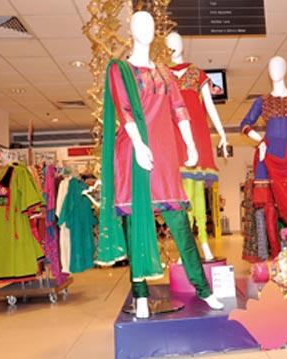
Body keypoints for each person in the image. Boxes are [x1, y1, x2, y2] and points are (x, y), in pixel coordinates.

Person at [98, 11, 223, 318]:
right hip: (134, 152)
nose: (148, 29)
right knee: (136, 224)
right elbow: (124, 109)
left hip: (165, 156)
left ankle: (203, 289)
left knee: (181, 225)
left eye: (152, 24)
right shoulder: (120, 69)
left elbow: (179, 109)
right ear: (130, 29)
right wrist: (139, 145)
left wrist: (192, 145)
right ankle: (140, 294)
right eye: (140, 24)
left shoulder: (166, 73)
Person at [239, 56, 287, 258]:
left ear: (286, 68)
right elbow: (245, 125)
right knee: (269, 209)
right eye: (271, 66)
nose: (275, 70)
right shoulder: (261, 101)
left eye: (279, 65)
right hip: (269, 157)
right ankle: (275, 256)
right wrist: (260, 141)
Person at [166, 31, 228, 260]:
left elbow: (210, 106)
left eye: (177, 42)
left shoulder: (196, 73)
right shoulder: (162, 74)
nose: (174, 46)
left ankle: (202, 240)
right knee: (183, 193)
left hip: (197, 133)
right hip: (174, 137)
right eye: (169, 44)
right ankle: (189, 245)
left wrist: (222, 133)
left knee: (196, 191)